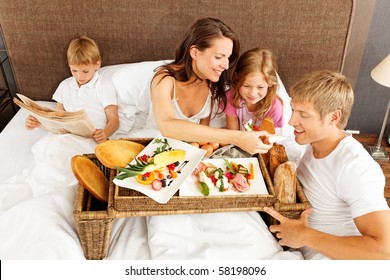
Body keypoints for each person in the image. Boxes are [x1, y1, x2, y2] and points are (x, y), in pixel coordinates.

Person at [264, 70, 390, 260]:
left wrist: (305, 236)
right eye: (293, 110)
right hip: (299, 247)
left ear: (333, 117)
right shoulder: (313, 142)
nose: (291, 121)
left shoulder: (355, 167)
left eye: (303, 115)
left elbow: (383, 250)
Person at [149, 17, 272, 155]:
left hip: (187, 152)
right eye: (219, 57)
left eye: (228, 57)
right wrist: (237, 137)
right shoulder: (164, 79)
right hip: (153, 147)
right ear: (195, 52)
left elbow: (202, 132)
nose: (226, 66)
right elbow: (167, 126)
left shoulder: (211, 82)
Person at [25, 35, 119, 143]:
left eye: (85, 71)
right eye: (74, 71)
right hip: (68, 135)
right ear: (69, 65)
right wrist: (38, 122)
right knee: (52, 148)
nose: (79, 77)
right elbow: (57, 118)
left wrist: (105, 133)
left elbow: (114, 119)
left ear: (97, 64)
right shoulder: (65, 85)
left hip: (93, 137)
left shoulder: (104, 85)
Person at [225, 48, 283, 131]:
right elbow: (233, 133)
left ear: (270, 83)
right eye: (246, 86)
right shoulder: (231, 97)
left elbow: (269, 139)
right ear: (237, 78)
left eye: (260, 87)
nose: (252, 93)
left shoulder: (274, 108)